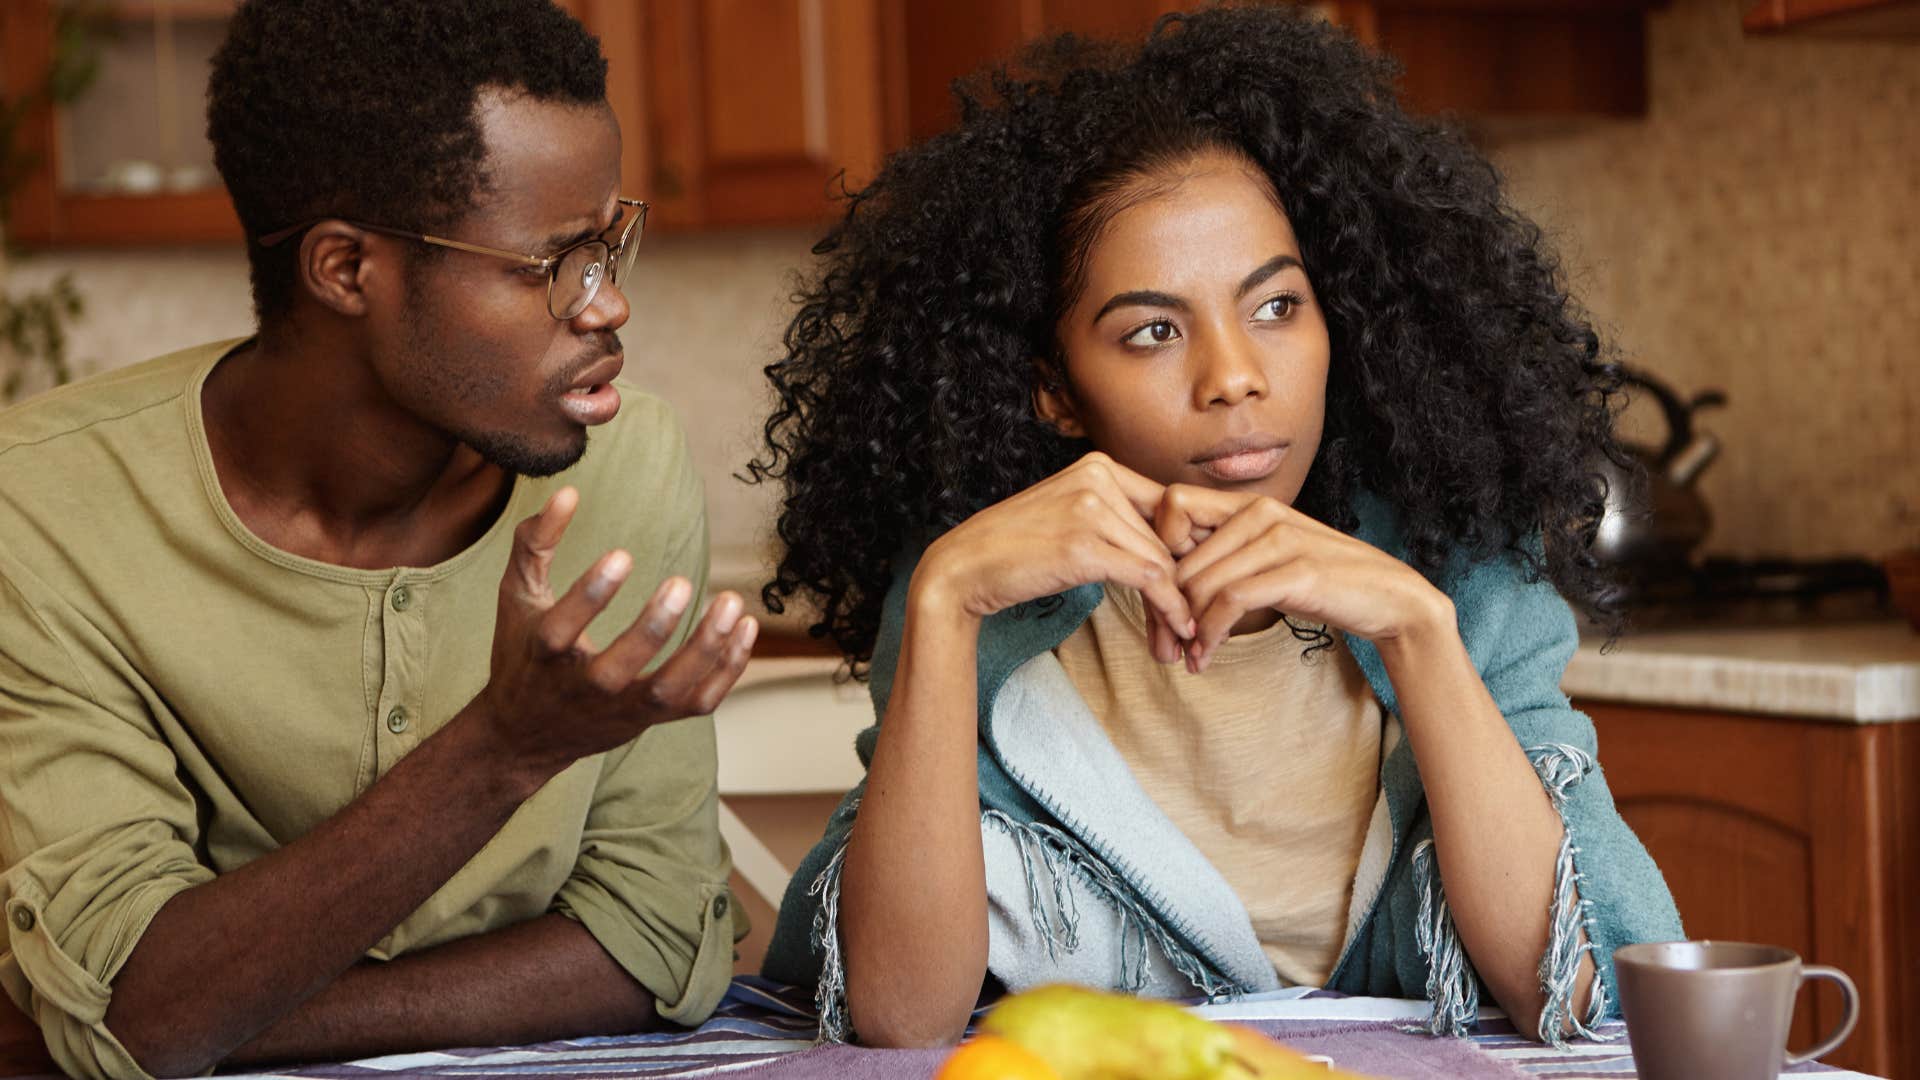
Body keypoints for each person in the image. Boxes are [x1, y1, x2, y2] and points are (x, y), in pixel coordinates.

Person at [754, 5, 1682, 1050]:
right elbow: (900, 1016)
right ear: (1055, 389)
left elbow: (1583, 987)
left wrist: (1418, 631)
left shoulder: (1458, 559)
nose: (1234, 376)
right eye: (1154, 330)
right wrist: (942, 602)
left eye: (1277, 307)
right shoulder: (985, 591)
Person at [0, 3, 760, 1077]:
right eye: (552, 261)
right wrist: (504, 749)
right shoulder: (41, 510)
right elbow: (136, 998)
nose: (607, 305)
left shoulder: (627, 467)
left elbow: (656, 939)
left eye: (606, 243)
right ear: (347, 270)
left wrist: (197, 1015)